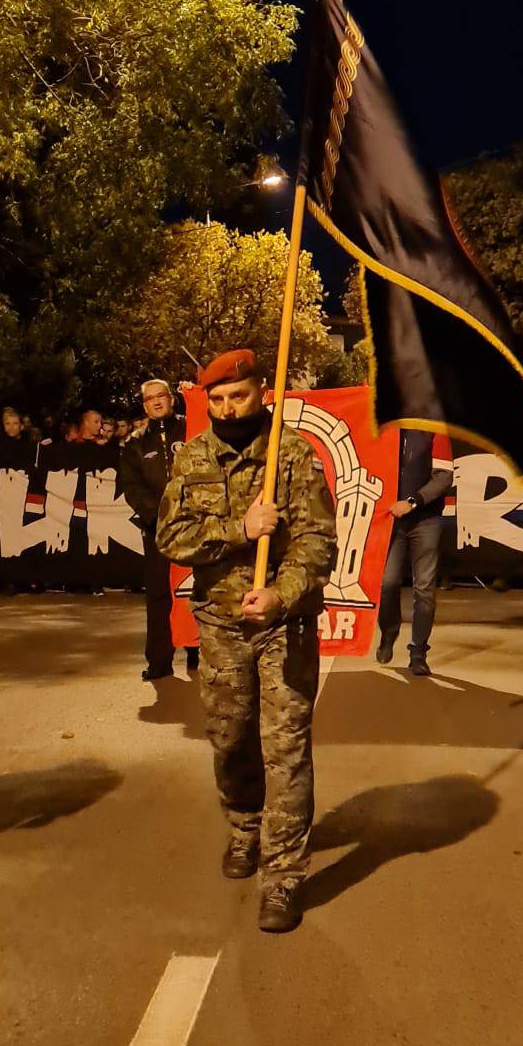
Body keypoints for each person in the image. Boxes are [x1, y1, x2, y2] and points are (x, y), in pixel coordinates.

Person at [155, 349, 336, 934]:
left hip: (284, 624)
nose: (229, 406)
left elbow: (317, 541)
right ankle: (243, 826)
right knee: (230, 739)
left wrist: (281, 593)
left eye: (239, 394)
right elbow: (170, 537)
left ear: (263, 392)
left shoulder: (293, 456)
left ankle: (282, 877)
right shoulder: (192, 457)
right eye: (218, 398)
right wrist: (241, 529)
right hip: (220, 625)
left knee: (285, 748)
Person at [118, 377, 196, 681]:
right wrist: (158, 516)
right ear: (145, 405)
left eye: (162, 396)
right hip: (157, 529)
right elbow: (132, 487)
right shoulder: (135, 442)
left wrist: (196, 394)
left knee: (195, 590)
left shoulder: (192, 427)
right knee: (160, 595)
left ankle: (197, 651)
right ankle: (159, 661)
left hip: (195, 525)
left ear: (171, 399)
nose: (157, 401)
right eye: (150, 398)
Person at [376, 428, 454, 677]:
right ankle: (389, 632)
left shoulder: (435, 429)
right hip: (391, 519)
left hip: (426, 519)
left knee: (424, 588)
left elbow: (444, 476)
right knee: (387, 583)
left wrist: (413, 501)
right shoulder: (385, 427)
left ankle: (418, 652)